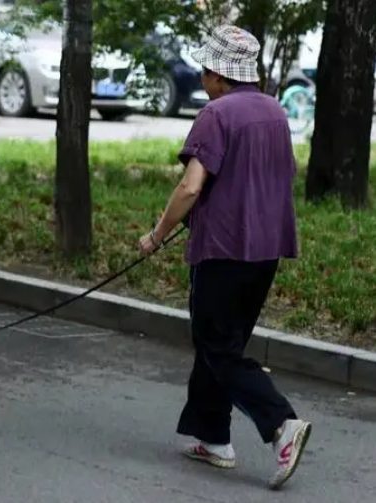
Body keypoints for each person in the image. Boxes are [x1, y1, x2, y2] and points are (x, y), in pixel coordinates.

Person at [138, 25, 312, 490]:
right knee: (221, 343)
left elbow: (191, 186)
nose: (201, 75)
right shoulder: (275, 111)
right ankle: (213, 437)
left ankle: (281, 425)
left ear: (218, 73)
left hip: (223, 249)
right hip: (266, 249)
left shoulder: (216, 114)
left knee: (217, 345)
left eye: (204, 67)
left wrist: (157, 235)